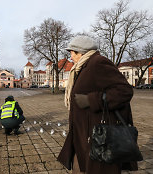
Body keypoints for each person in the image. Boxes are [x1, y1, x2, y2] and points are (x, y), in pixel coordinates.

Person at [57, 35, 137, 174]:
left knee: (96, 168)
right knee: (79, 165)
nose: (70, 57)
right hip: (83, 131)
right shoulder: (82, 67)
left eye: (71, 52)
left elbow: (124, 91)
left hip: (97, 133)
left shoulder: (98, 63)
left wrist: (91, 100)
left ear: (80, 52)